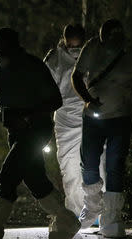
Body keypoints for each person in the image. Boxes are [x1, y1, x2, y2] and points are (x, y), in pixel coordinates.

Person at [0, 28, 81, 239]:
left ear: (15, 47)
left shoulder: (33, 67)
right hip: (15, 132)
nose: (0, 56)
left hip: (36, 130)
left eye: (3, 50)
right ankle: (65, 220)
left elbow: (55, 100)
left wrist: (28, 115)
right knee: (34, 178)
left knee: (8, 175)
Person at [71, 19, 132, 237]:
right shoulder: (92, 47)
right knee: (89, 161)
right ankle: (93, 205)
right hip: (93, 117)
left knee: (115, 163)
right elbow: (76, 77)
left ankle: (113, 216)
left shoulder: (131, 53)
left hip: (120, 116)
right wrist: (88, 99)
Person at [44, 24, 106, 217]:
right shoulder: (54, 60)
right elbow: (45, 91)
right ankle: (75, 212)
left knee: (98, 163)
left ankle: (99, 213)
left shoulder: (94, 55)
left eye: (79, 45)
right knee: (70, 167)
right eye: (72, 46)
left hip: (92, 115)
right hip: (64, 120)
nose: (75, 50)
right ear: (64, 40)